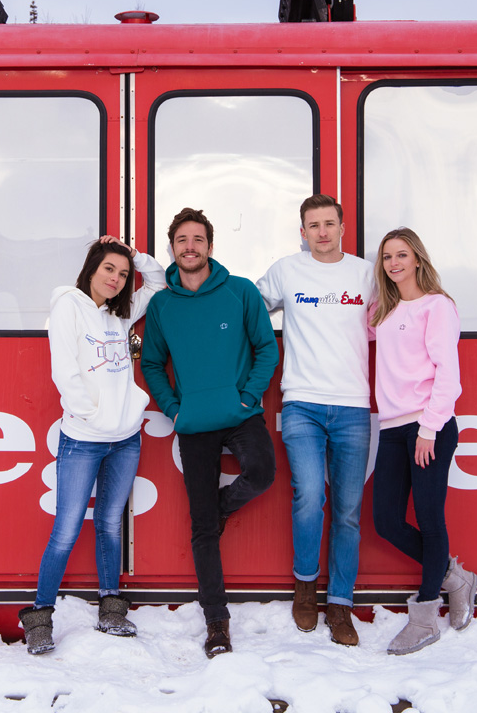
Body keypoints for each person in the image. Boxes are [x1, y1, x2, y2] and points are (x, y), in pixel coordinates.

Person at [18, 235, 167, 656]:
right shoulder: (69, 305)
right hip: (84, 439)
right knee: (65, 530)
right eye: (109, 269)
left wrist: (136, 256)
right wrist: (94, 415)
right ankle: (39, 617)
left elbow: (156, 285)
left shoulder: (120, 314)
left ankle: (111, 607)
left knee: (109, 524)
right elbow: (64, 370)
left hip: (125, 440)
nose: (117, 279)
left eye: (123, 274)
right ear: (91, 269)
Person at [140, 208, 279, 658]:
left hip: (240, 414)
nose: (190, 247)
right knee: (203, 530)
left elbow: (266, 348)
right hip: (194, 423)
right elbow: (151, 363)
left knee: (261, 473)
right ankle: (217, 624)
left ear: (211, 247)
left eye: (198, 239)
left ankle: (219, 506)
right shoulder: (162, 305)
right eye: (182, 240)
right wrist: (176, 410)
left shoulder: (238, 291)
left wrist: (247, 396)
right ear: (172, 249)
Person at [256, 194, 375, 646]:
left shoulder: (366, 273)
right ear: (302, 232)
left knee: (347, 512)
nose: (322, 232)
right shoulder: (287, 270)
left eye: (329, 223)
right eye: (313, 225)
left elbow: (404, 310)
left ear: (343, 226)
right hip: (301, 403)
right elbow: (246, 307)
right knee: (308, 497)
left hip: (352, 408)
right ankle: (305, 587)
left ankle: (340, 604)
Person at [369, 227, 477, 655]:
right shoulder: (384, 313)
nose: (393, 263)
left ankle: (426, 617)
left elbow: (448, 377)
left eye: (401, 255)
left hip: (428, 427)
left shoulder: (438, 306)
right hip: (393, 428)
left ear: (417, 259)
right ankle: (455, 577)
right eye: (386, 257)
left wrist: (429, 429)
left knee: (431, 520)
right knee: (386, 521)